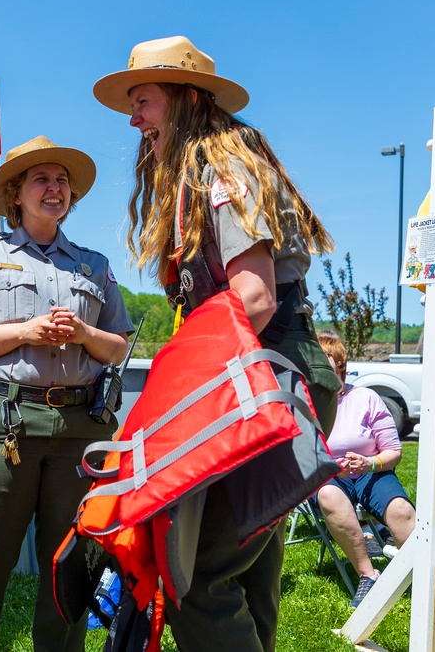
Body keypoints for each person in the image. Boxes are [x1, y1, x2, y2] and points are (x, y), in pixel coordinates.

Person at [93, 36, 341, 651]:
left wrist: (178, 398)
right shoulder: (217, 166)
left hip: (268, 373)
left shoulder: (222, 169)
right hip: (275, 372)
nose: (134, 119)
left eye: (144, 101)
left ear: (185, 99)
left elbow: (253, 299)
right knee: (250, 566)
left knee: (198, 575)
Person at [0, 135, 133, 652]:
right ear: (16, 194)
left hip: (80, 430)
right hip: (4, 423)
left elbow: (117, 348)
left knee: (71, 563)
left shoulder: (93, 264)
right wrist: (25, 331)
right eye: (41, 179)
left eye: (62, 180)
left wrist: (86, 335)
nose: (54, 188)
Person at [315, 330, 416, 608]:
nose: (321, 364)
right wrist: (329, 466)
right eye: (315, 358)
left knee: (400, 510)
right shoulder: (307, 404)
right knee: (328, 496)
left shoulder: (366, 398)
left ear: (340, 364)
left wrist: (370, 463)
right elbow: (298, 455)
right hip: (328, 478)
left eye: (327, 357)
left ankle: (428, 575)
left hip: (373, 471)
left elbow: (394, 452)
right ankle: (368, 575)